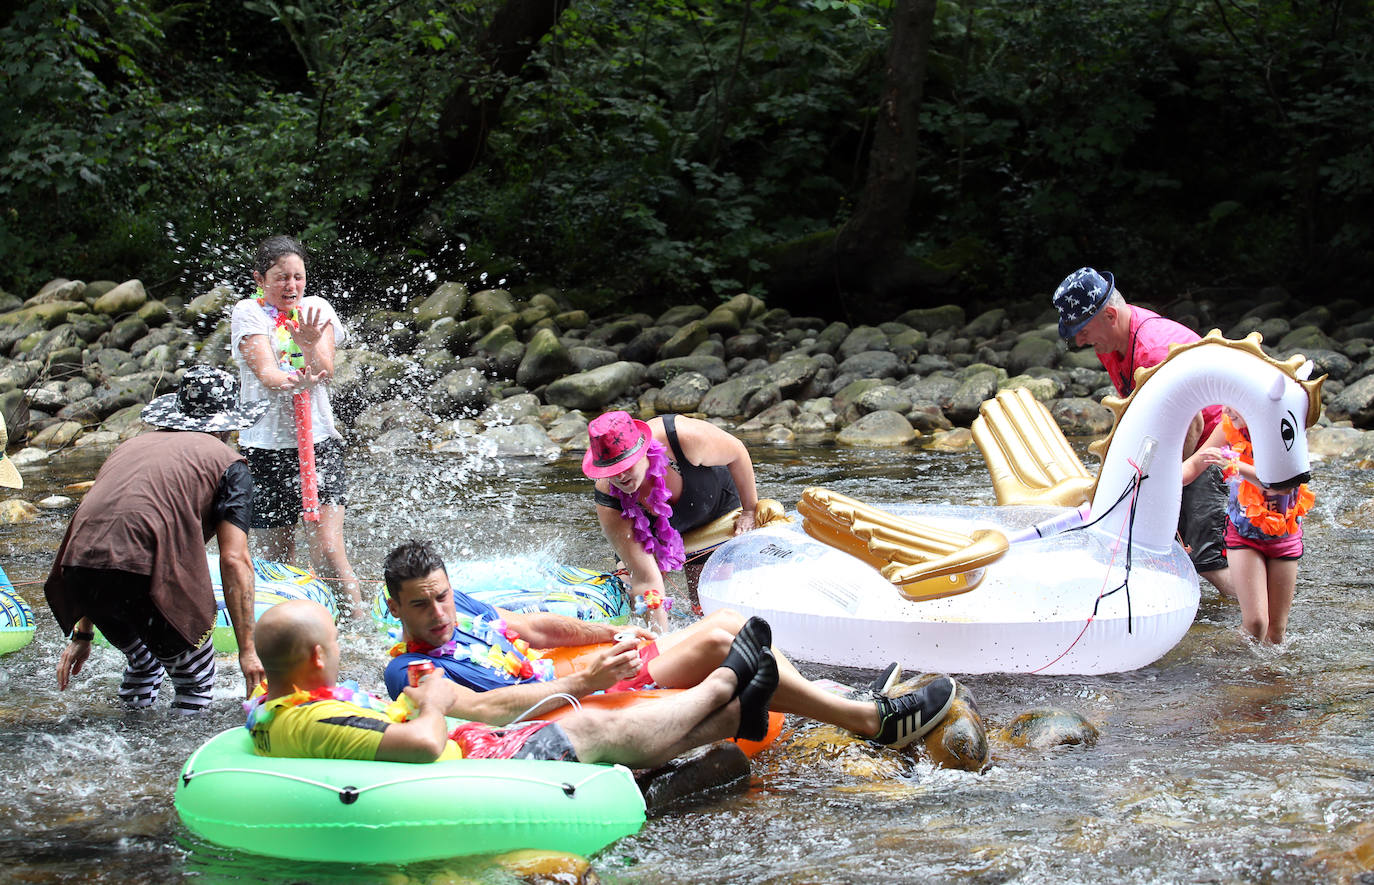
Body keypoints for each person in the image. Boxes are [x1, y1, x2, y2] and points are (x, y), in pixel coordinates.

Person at [381, 540, 957, 750]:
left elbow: (534, 628)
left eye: (443, 598)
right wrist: (586, 682)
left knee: (729, 620)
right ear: (394, 609)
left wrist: (614, 633)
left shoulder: (467, 610)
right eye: (420, 605)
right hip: (567, 711)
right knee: (724, 643)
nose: (438, 614)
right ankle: (868, 719)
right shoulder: (410, 670)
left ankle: (835, 703)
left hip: (591, 677)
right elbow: (486, 709)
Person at [250, 598, 779, 767]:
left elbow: (532, 628)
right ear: (318, 655)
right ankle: (723, 690)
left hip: (476, 742)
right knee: (590, 727)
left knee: (595, 725)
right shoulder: (314, 716)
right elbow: (420, 744)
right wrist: (432, 704)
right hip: (476, 771)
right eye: (335, 644)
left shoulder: (274, 707)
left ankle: (735, 712)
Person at [46, 366, 267, 712]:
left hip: (79, 573)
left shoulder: (129, 448)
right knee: (194, 678)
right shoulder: (229, 463)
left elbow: (104, 540)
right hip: (143, 576)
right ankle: (175, 758)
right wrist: (248, 650)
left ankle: (130, 738)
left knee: (144, 659)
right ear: (227, 425)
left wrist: (84, 630)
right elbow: (234, 560)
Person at [1053, 267, 1235, 599]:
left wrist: (1165, 482)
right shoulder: (1110, 344)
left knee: (1206, 556)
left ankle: (1253, 625)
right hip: (1192, 439)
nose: (1078, 340)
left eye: (1081, 330)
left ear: (1109, 314)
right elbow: (1137, 412)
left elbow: (1191, 425)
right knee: (1157, 537)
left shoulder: (1152, 351)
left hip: (1218, 439)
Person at [230, 234, 363, 619]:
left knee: (327, 549)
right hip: (264, 447)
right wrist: (294, 379)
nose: (291, 286)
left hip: (319, 442)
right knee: (276, 556)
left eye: (298, 277)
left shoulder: (316, 308)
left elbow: (326, 369)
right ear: (260, 278)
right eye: (280, 277)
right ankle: (287, 638)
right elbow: (268, 373)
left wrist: (308, 347)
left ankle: (355, 631)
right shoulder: (247, 312)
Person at [584, 411, 760, 628]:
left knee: (710, 609)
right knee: (629, 591)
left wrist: (750, 510)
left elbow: (737, 453)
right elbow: (646, 580)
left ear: (643, 449)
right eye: (613, 469)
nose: (620, 477)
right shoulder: (608, 497)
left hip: (711, 509)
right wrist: (660, 642)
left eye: (626, 464)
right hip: (651, 532)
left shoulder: (682, 437)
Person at [1185, 407, 1312, 644]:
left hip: (1284, 536)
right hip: (1243, 534)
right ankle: (1229, 669)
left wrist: (1235, 465)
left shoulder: (1284, 425)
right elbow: (1193, 466)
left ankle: (1268, 679)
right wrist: (1155, 477)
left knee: (1276, 631)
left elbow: (1283, 485)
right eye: (1226, 402)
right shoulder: (1228, 426)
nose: (1226, 409)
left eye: (1235, 404)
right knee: (1256, 623)